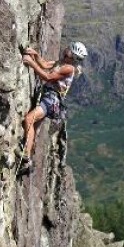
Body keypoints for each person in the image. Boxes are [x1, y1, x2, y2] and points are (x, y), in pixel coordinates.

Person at [18, 41, 88, 171]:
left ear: (71, 55)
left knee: (29, 120)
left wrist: (31, 62)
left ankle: (26, 157)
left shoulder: (68, 68)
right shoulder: (62, 62)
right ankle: (28, 160)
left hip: (51, 100)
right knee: (33, 127)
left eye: (68, 49)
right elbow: (45, 65)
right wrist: (36, 55)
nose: (65, 49)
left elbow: (48, 77)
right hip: (49, 98)